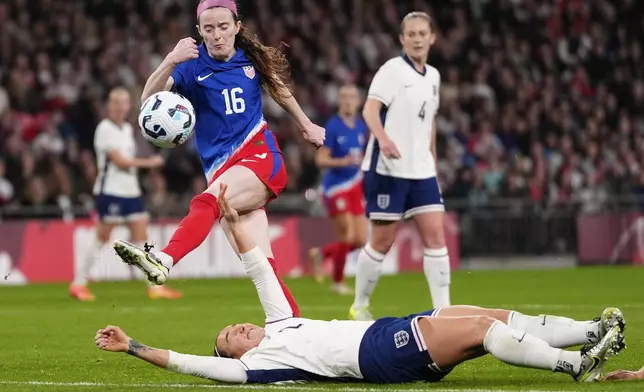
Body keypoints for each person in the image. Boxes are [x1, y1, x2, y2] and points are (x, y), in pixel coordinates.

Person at [96, 183, 627, 384]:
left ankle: (590, 332)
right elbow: (189, 363)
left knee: (480, 313)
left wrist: (233, 223)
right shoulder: (259, 366)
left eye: (234, 328)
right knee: (484, 331)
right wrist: (133, 347)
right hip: (377, 356)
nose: (235, 329)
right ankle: (575, 366)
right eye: (229, 337)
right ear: (234, 356)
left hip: (382, 331)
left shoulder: (280, 321)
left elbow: (258, 269)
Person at [112, 0, 324, 313]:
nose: (217, 35)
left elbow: (279, 90)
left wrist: (307, 126)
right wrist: (170, 60)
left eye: (223, 27)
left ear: (237, 27)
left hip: (260, 157)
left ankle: (163, 260)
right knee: (262, 269)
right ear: (199, 31)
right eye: (208, 29)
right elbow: (148, 100)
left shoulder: (251, 59)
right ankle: (293, 331)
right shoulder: (190, 67)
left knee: (206, 202)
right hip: (224, 170)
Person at [350, 11, 449, 321]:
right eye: (412, 34)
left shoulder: (433, 76)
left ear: (432, 38)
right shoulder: (392, 70)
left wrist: (433, 161)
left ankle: (444, 312)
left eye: (423, 33)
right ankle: (360, 305)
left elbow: (429, 122)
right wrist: (384, 139)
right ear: (402, 39)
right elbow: (369, 109)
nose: (417, 39)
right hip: (387, 169)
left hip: (421, 170)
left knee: (436, 237)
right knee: (381, 242)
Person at [69, 87, 182, 301]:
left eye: (124, 102)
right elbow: (119, 161)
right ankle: (78, 283)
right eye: (116, 102)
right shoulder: (105, 128)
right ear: (109, 106)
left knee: (142, 237)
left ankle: (154, 286)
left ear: (129, 106)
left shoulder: (127, 130)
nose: (120, 107)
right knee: (102, 237)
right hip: (111, 192)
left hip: (131, 192)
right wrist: (149, 163)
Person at [308, 84, 368, 294]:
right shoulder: (333, 127)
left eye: (352, 97)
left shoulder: (361, 126)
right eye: (344, 97)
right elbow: (320, 159)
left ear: (359, 101)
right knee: (347, 236)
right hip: (336, 188)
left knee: (360, 239)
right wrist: (343, 162)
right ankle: (337, 282)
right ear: (339, 101)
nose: (349, 101)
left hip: (355, 186)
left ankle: (322, 254)